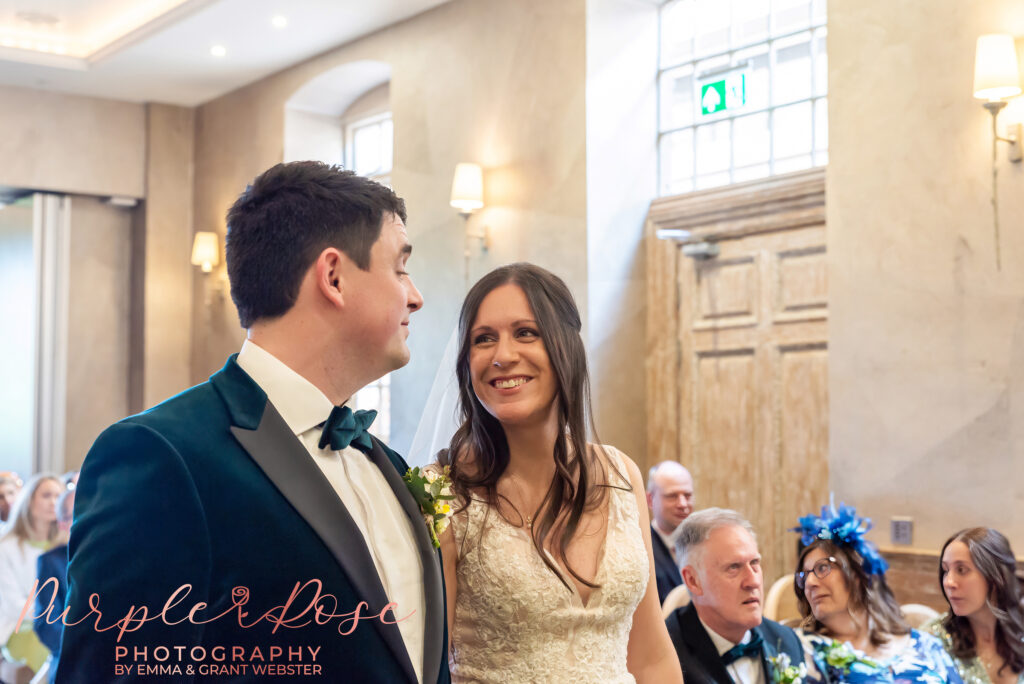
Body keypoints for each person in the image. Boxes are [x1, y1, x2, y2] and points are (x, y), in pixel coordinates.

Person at [59, 162, 449, 684]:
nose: (416, 296)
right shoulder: (163, 456)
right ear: (333, 276)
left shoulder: (385, 463)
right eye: (400, 268)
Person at [438, 263, 682, 683]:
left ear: (566, 348)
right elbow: (428, 667)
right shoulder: (445, 495)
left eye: (525, 333)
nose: (502, 355)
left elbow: (651, 658)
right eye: (484, 339)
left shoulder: (621, 475)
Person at [793, 502, 962, 683]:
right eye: (804, 576)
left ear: (859, 574)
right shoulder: (804, 651)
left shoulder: (926, 645)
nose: (810, 583)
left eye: (823, 568)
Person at [665, 507, 809, 684]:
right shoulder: (664, 656)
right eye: (733, 567)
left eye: (755, 563)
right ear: (693, 580)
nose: (753, 581)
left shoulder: (785, 640)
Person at [923, 527, 1024, 684]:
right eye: (945, 570)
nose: (949, 582)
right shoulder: (932, 640)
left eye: (961, 570)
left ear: (997, 576)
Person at [0, 474, 63, 675]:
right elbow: (12, 605)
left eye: (58, 496)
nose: (54, 502)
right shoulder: (6, 547)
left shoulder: (65, 548)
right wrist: (52, 613)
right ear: (29, 500)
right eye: (46, 495)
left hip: (57, 627)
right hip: (17, 630)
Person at [34, 482, 74, 683]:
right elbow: (45, 624)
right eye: (76, 514)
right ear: (63, 523)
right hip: (72, 661)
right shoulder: (51, 561)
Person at [647, 461, 694, 603]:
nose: (683, 504)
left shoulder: (702, 544)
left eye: (687, 495)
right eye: (672, 496)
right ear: (650, 500)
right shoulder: (640, 548)